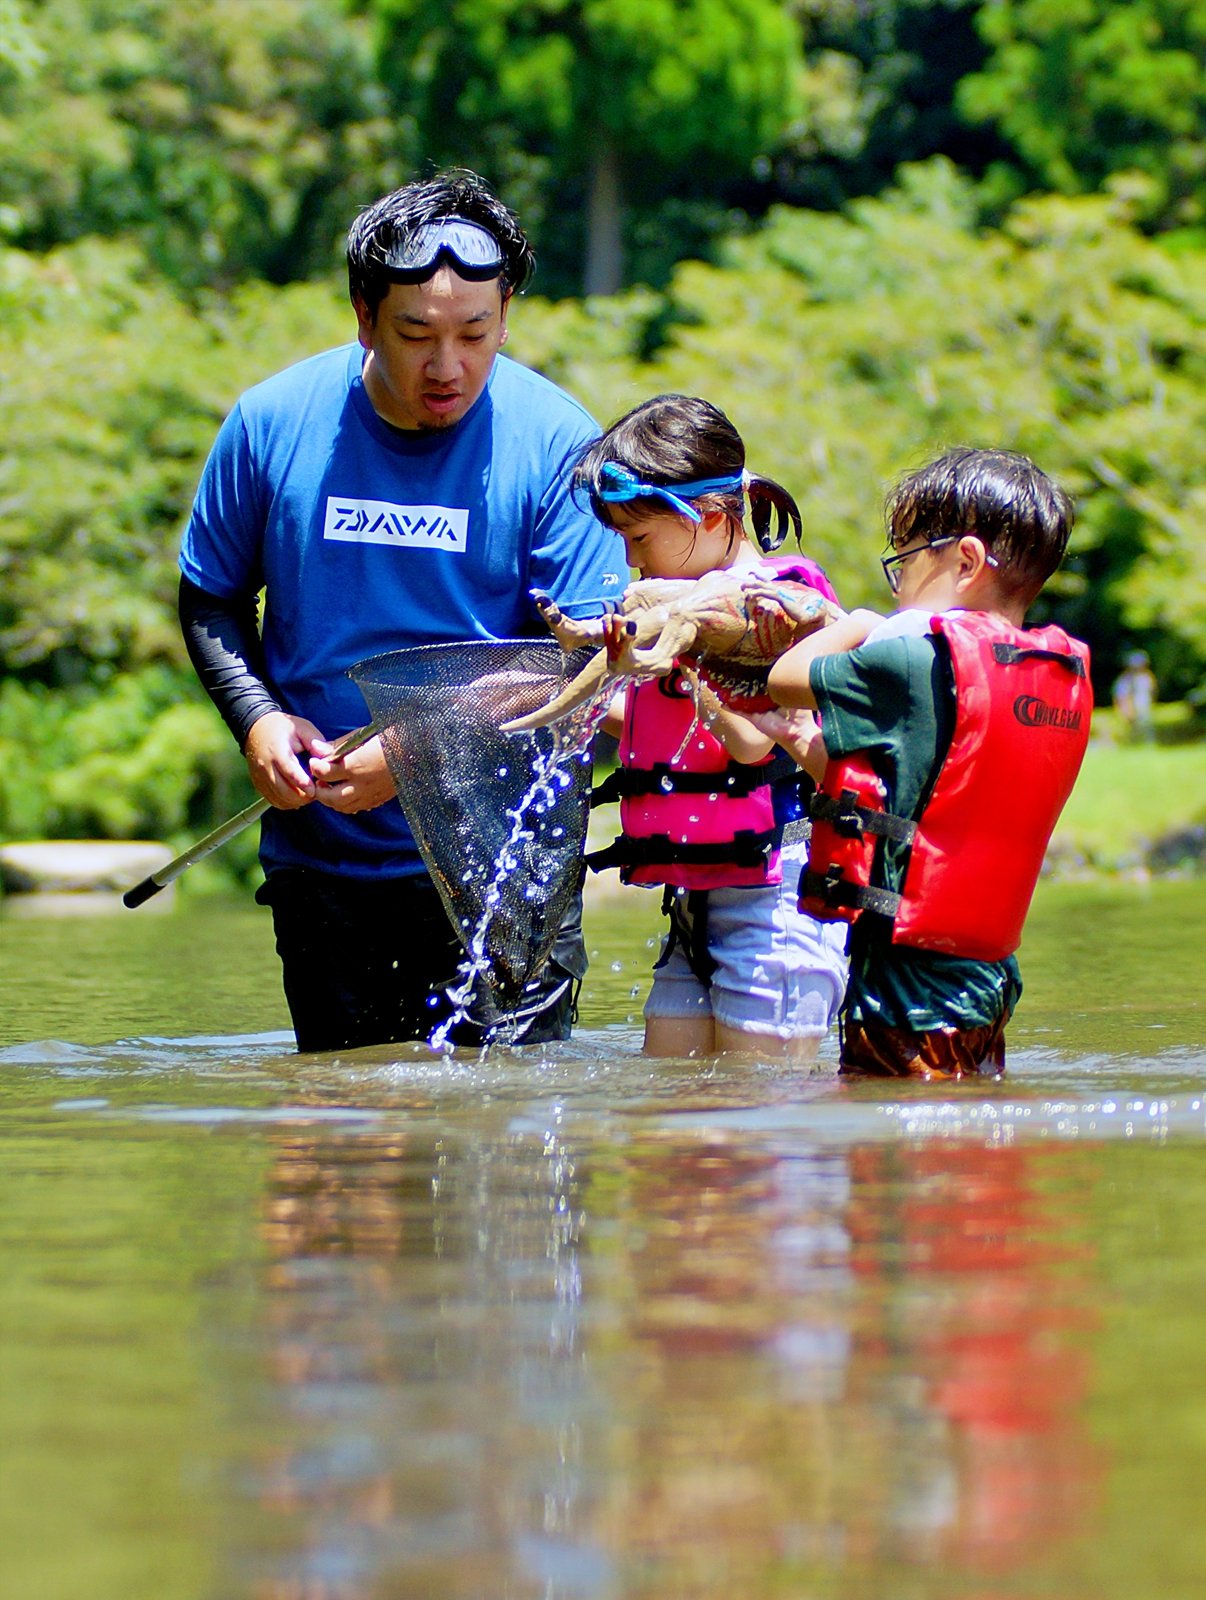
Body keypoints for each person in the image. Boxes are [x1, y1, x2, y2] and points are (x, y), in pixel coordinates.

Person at [178, 169, 626, 1052]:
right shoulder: (272, 423)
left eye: (477, 333)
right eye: (416, 333)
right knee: (343, 1154)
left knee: (506, 1152)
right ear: (363, 316)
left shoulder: (558, 442)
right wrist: (257, 719)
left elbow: (587, 658)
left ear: (507, 317)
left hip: (507, 863)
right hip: (325, 860)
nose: (448, 365)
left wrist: (421, 749)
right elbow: (212, 597)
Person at [766, 447, 1093, 1080]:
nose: (897, 585)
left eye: (904, 561)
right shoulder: (1043, 676)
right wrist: (807, 750)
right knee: (960, 1143)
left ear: (964, 560)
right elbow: (918, 796)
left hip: (906, 985)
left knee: (901, 1157)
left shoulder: (913, 661)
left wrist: (859, 622)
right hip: (988, 974)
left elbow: (785, 678)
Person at [573, 394, 850, 1062]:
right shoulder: (673, 609)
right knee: (671, 1116)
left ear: (708, 515)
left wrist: (690, 656)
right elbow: (660, 725)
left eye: (640, 539)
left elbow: (754, 741)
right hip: (696, 898)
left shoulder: (778, 604)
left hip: (778, 897)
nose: (634, 564)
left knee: (759, 1121)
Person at [1112, 650, 1157, 743]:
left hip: (1145, 711)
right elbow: (1121, 696)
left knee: (1146, 735)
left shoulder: (1147, 677)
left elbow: (1152, 692)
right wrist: (1126, 710)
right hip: (1131, 711)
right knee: (1132, 736)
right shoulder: (1125, 679)